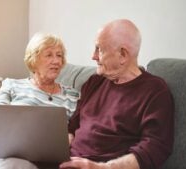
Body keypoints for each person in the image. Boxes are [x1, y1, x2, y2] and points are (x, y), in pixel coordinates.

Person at [59, 19, 174, 169]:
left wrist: (102, 167)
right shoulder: (94, 82)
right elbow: (72, 127)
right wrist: (53, 151)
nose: (93, 56)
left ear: (123, 55)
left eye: (99, 49)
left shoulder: (155, 91)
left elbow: (154, 148)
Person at [0, 33, 80, 169]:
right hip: (1, 154)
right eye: (49, 55)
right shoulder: (11, 85)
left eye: (59, 55)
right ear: (34, 60)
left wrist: (70, 136)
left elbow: (81, 130)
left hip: (38, 160)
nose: (56, 61)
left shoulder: (73, 95)